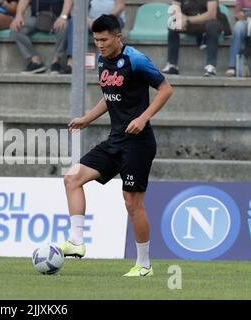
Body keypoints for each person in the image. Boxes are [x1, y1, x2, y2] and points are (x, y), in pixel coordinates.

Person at [60, 14, 173, 277]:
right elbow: (110, 97)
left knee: (132, 203)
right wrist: (87, 119)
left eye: (104, 39)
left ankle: (144, 265)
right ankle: (76, 242)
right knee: (72, 178)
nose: (99, 44)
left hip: (138, 143)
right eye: (96, 40)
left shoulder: (136, 60)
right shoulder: (102, 61)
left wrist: (143, 118)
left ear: (117, 37)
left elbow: (166, 89)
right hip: (115, 140)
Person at [61, 0, 126, 74]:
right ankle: (71, 63)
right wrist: (87, 20)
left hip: (113, 17)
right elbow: (78, 8)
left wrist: (105, 19)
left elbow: (120, 6)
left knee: (110, 26)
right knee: (74, 22)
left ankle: (108, 63)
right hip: (90, 20)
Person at [162, 0, 224, 77]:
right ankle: (172, 65)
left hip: (208, 22)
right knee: (173, 24)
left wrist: (187, 19)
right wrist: (179, 19)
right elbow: (174, 9)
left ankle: (211, 66)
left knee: (212, 25)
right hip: (189, 23)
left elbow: (211, 15)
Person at [10, 0, 73, 74]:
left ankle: (56, 61)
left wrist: (63, 16)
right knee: (16, 28)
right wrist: (19, 15)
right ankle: (36, 61)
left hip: (58, 17)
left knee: (64, 27)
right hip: (37, 18)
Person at [226, 1, 251, 76]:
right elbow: (237, 14)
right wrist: (239, 16)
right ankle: (232, 66)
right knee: (238, 26)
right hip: (246, 21)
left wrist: (247, 14)